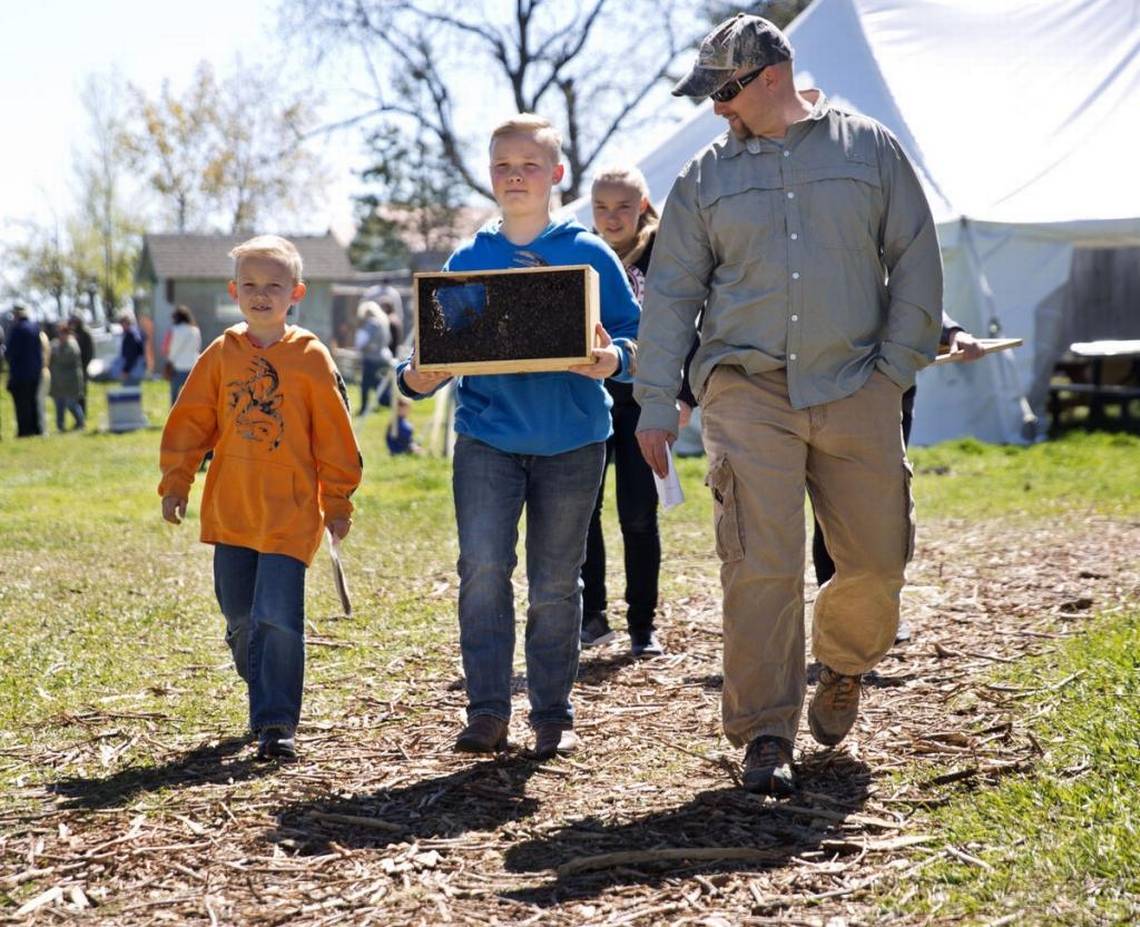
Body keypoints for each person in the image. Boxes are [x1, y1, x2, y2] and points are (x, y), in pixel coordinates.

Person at [634, 14, 943, 795]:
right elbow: (670, 293)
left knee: (878, 558)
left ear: (771, 77)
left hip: (855, 384)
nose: (715, 109)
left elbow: (913, 258)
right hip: (746, 390)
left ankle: (841, 662)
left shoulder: (868, 149)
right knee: (759, 565)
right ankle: (766, 731)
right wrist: (654, 401)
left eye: (725, 92)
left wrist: (894, 370)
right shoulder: (703, 177)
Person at [397, 114, 640, 761]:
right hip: (487, 440)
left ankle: (553, 711)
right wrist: (416, 376)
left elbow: (639, 341)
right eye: (503, 165)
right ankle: (487, 711)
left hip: (573, 441)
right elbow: (424, 359)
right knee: (482, 571)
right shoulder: (470, 260)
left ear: (557, 174)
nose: (515, 176)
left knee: (557, 580)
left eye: (530, 165)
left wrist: (613, 358)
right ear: (489, 174)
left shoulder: (590, 254)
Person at [158, 235, 362, 761]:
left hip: (290, 514)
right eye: (250, 285)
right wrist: (177, 481)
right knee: (240, 617)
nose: (261, 294)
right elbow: (190, 424)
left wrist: (337, 502)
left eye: (274, 285)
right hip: (232, 510)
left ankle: (276, 723)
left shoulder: (311, 358)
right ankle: (261, 676)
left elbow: (336, 437)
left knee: (277, 618)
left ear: (295, 292)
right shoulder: (221, 354)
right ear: (234, 291)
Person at [810, 315, 984, 635]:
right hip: (824, 396)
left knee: (883, 513)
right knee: (832, 514)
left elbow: (916, 297)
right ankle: (838, 620)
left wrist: (953, 332)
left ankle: (880, 613)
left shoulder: (885, 264)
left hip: (887, 399)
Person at [580, 165, 665, 657]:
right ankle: (593, 615)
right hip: (590, 397)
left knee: (638, 513)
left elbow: (682, 325)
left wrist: (678, 395)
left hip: (640, 400)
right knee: (584, 512)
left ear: (643, 207)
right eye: (602, 209)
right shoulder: (583, 259)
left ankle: (642, 623)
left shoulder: (663, 258)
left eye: (623, 208)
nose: (612, 219)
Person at [4, 305, 44, 437]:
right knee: (33, 401)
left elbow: (10, 352)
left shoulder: (17, 330)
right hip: (35, 373)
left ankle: (25, 431)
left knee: (22, 404)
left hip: (20, 374)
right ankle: (37, 429)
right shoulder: (35, 328)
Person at [354, 300, 393, 415]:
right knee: (377, 383)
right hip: (383, 356)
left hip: (372, 358)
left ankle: (364, 408)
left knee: (366, 385)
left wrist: (362, 347)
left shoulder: (372, 323)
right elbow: (389, 340)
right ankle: (389, 402)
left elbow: (362, 341)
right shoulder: (383, 322)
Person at [48, 322, 86, 432]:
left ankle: (80, 422)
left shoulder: (72, 345)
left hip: (72, 381)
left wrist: (56, 353)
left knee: (71, 404)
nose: (61, 336)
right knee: (59, 405)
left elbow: (65, 359)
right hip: (58, 381)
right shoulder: (55, 344)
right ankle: (60, 426)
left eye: (63, 333)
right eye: (59, 333)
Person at [165, 305, 203, 406]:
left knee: (174, 397)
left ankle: (174, 418)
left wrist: (170, 360)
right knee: (192, 396)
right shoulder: (195, 330)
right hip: (192, 366)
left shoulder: (173, 330)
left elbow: (169, 349)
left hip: (177, 366)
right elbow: (197, 348)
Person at [69, 315, 95, 416]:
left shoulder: (85, 333)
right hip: (73, 368)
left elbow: (89, 352)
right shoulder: (72, 333)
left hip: (82, 367)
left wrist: (84, 365)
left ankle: (83, 414)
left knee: (82, 393)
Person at [116, 311, 147, 386]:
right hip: (138, 367)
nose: (121, 326)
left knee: (129, 392)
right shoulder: (137, 331)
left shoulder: (130, 335)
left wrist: (125, 370)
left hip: (132, 369)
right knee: (135, 391)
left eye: (122, 323)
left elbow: (131, 355)